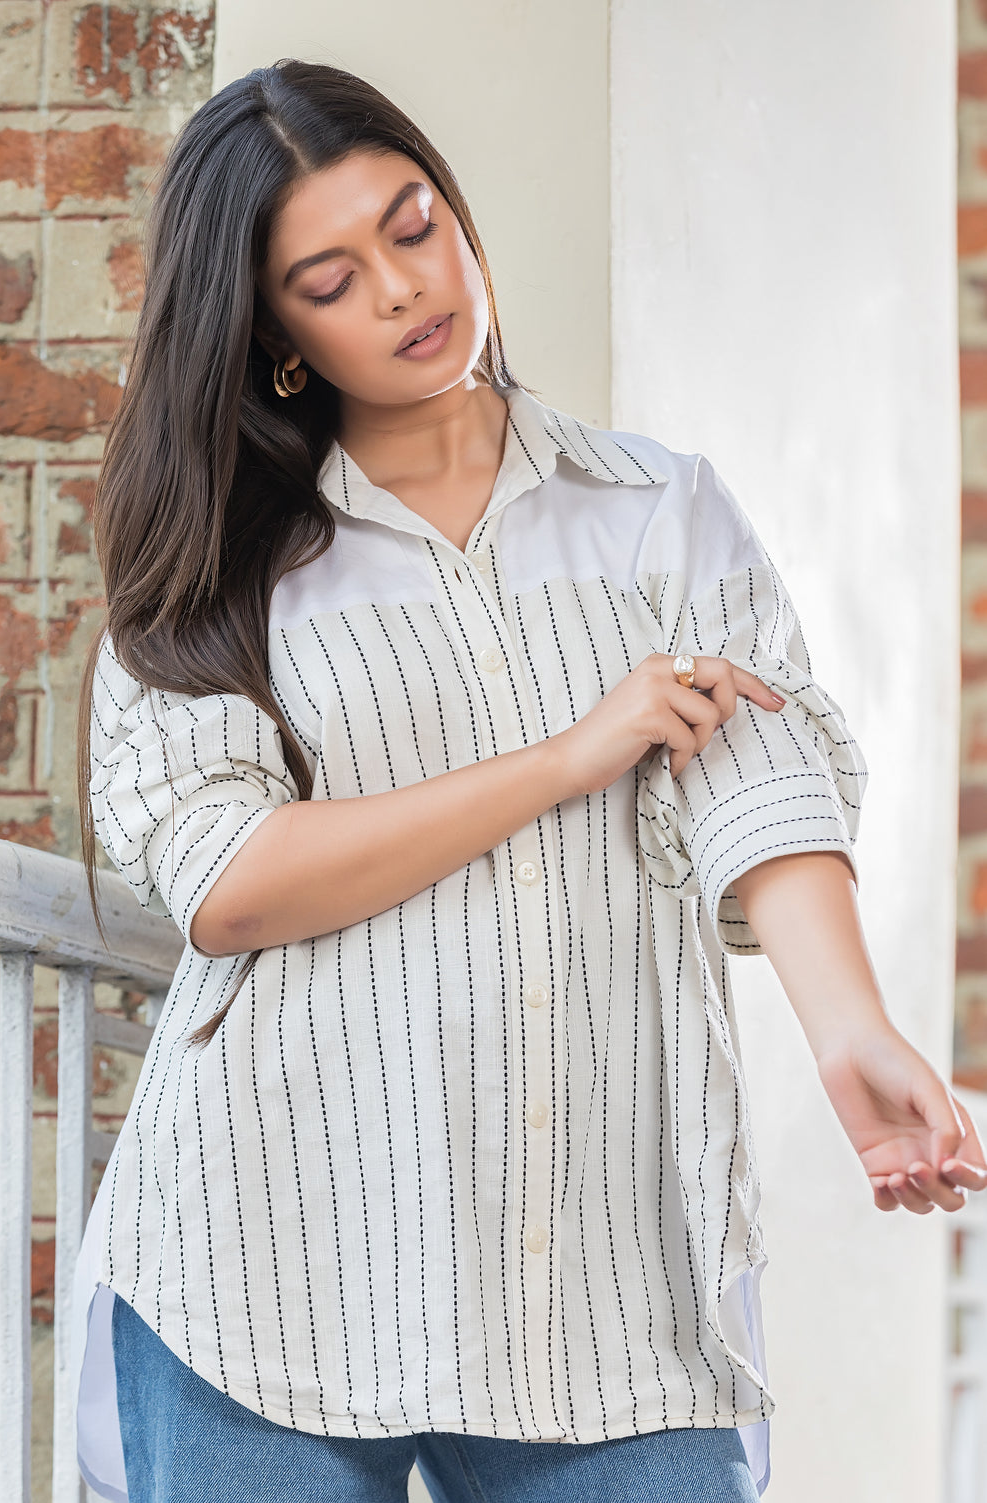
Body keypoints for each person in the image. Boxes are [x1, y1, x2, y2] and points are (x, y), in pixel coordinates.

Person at [71, 57, 986, 1503]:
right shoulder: (213, 571)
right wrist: (570, 756)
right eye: (329, 275)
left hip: (604, 1266)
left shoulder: (655, 510)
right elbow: (231, 884)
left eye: (413, 223)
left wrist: (849, 1030)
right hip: (267, 1259)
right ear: (270, 333)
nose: (400, 287)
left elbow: (759, 769)